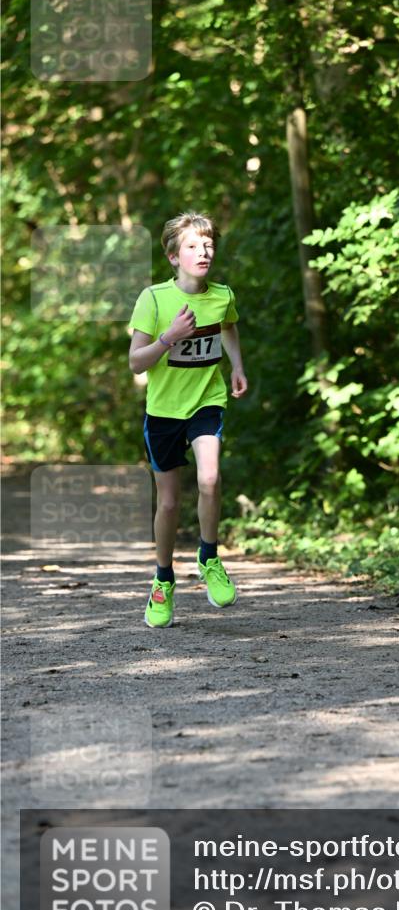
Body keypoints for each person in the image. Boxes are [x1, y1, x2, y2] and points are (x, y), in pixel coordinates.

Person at [128, 211, 247, 627]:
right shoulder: (154, 299)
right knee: (170, 502)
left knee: (210, 479)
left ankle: (209, 557)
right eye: (193, 246)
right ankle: (163, 581)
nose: (204, 252)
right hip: (163, 412)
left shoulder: (222, 295)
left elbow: (228, 327)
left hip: (206, 401)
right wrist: (169, 338)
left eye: (208, 244)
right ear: (174, 257)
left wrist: (236, 366)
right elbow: (135, 363)